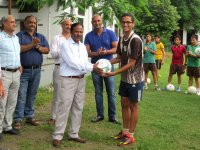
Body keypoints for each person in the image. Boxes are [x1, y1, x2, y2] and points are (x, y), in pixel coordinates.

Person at [52, 23, 102, 147]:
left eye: (81, 32)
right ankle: (58, 135)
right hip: (68, 80)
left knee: (78, 107)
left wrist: (90, 66)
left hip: (80, 80)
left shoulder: (82, 47)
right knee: (64, 107)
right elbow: (72, 63)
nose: (79, 34)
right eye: (76, 32)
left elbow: (84, 62)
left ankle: (73, 133)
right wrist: (92, 67)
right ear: (71, 32)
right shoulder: (65, 45)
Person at [104, 13, 143, 146]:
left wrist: (113, 73)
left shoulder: (136, 40)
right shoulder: (121, 38)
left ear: (133, 24)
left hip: (135, 79)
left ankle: (131, 136)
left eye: (128, 22)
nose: (125, 24)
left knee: (133, 105)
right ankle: (124, 131)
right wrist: (105, 64)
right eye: (123, 22)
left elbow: (131, 63)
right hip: (125, 78)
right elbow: (119, 58)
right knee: (124, 103)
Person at [13, 15, 49, 129]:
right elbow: (18, 49)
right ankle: (17, 119)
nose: (32, 25)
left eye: (34, 23)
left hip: (37, 70)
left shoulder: (41, 37)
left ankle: (29, 116)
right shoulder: (19, 36)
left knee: (32, 94)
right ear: (25, 23)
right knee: (21, 95)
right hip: (24, 71)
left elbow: (47, 50)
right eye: (30, 22)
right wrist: (32, 45)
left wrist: (38, 47)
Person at [84, 15, 119, 124]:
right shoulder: (88, 35)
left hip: (108, 66)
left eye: (98, 20)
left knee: (111, 92)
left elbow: (116, 48)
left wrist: (106, 52)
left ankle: (112, 116)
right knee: (98, 92)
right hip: (95, 67)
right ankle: (100, 115)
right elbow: (86, 52)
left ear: (101, 21)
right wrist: (97, 53)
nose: (97, 23)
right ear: (91, 22)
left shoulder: (110, 33)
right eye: (94, 21)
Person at [0, 15, 21, 141]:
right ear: (4, 24)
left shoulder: (16, 38)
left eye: (14, 22)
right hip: (3, 74)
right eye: (12, 22)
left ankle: (7, 126)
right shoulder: (0, 37)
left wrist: (19, 65)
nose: (14, 24)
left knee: (12, 102)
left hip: (15, 73)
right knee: (1, 103)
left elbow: (15, 54)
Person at [48, 19, 72, 125]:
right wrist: (64, 50)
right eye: (66, 24)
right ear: (62, 25)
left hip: (71, 69)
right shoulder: (56, 38)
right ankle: (53, 116)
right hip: (59, 68)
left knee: (69, 94)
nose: (68, 26)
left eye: (70, 25)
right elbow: (53, 54)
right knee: (57, 93)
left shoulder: (74, 38)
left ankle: (65, 116)